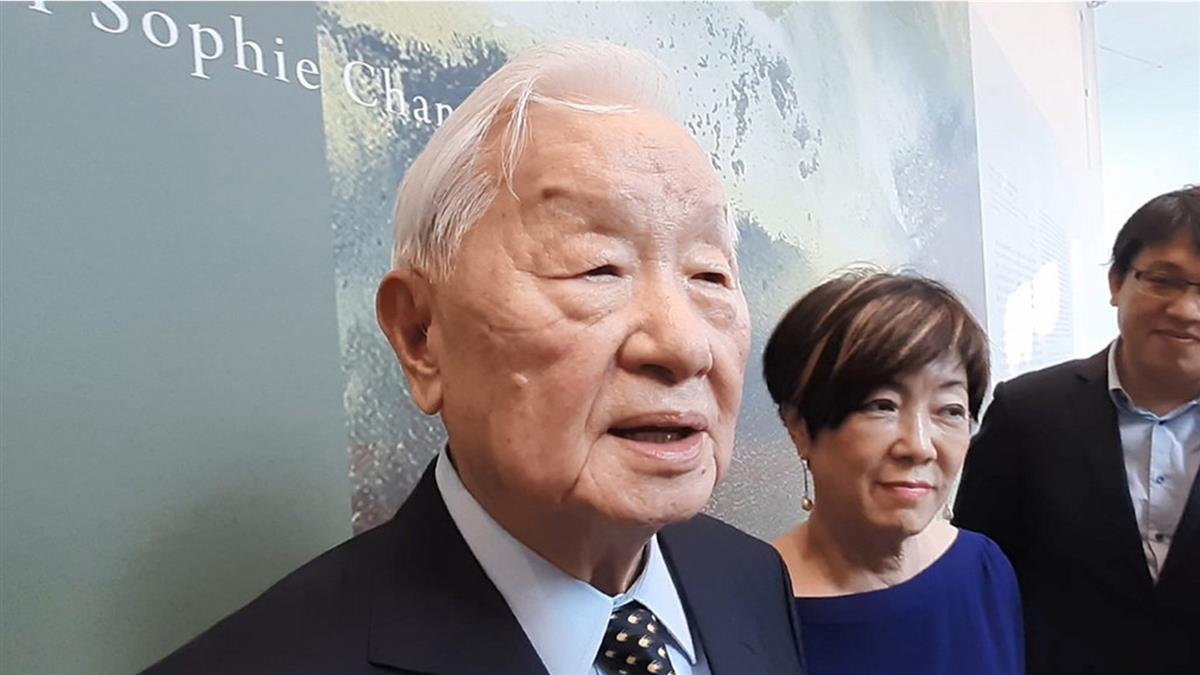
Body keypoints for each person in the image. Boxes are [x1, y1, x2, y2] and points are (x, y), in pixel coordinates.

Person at [143, 41, 808, 675]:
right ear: (420, 335)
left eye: (710, 275)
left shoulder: (750, 578)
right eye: (596, 267)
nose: (684, 346)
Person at [955, 186, 1200, 675]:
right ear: (1116, 282)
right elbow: (978, 573)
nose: (1187, 310)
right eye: (1163, 280)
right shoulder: (1026, 412)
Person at [764, 271, 1024, 675]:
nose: (919, 446)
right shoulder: (749, 608)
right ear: (799, 426)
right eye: (881, 405)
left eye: (950, 410)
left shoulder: (984, 570)